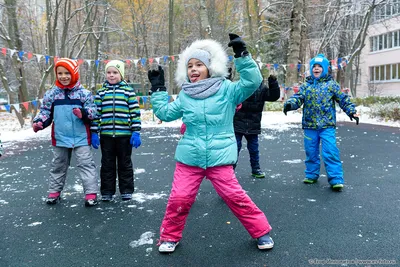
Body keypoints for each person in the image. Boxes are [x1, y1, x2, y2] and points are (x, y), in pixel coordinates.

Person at [148, 34, 274, 253]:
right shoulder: (186, 95)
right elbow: (165, 113)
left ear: (210, 67)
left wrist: (243, 57)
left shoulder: (227, 90)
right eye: (189, 66)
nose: (193, 69)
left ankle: (261, 232)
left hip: (219, 157)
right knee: (180, 198)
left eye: (199, 64)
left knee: (235, 197)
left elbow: (252, 82)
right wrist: (158, 89)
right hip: (190, 157)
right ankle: (169, 236)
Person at [283, 54, 359, 191]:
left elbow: (343, 99)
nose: (316, 69)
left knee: (330, 151)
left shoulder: (331, 85)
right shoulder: (306, 86)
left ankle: (335, 179)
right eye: (314, 67)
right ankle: (311, 174)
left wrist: (351, 111)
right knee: (311, 151)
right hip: (310, 125)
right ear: (311, 69)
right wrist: (290, 104)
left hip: (327, 125)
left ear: (325, 69)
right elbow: (298, 98)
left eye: (319, 67)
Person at [32, 58, 99, 206]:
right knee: (58, 164)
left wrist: (83, 113)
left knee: (85, 164)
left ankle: (91, 193)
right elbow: (45, 112)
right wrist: (39, 122)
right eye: (60, 73)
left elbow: (94, 112)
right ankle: (54, 192)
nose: (63, 76)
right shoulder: (52, 94)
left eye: (67, 73)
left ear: (74, 73)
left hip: (81, 137)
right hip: (60, 137)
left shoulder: (84, 94)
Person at [90, 60, 141, 201]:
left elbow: (135, 112)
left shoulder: (128, 92)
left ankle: (126, 189)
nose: (111, 75)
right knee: (107, 164)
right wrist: (94, 132)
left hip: (124, 135)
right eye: (108, 72)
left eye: (115, 72)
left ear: (121, 74)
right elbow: (96, 114)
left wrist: (136, 131)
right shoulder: (101, 93)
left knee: (125, 163)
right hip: (106, 135)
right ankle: (107, 191)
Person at [233, 75, 280, 178]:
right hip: (238, 122)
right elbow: (226, 90)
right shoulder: (239, 86)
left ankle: (256, 168)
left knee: (254, 148)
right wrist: (227, 74)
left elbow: (273, 96)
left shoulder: (262, 89)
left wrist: (273, 83)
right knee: (235, 147)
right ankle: (231, 169)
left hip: (253, 123)